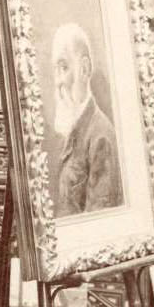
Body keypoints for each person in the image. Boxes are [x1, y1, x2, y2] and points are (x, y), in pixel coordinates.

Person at [49, 22, 121, 216]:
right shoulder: (72, 128)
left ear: (84, 69)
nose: (58, 81)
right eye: (55, 70)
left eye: (64, 67)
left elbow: (99, 221)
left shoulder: (101, 136)